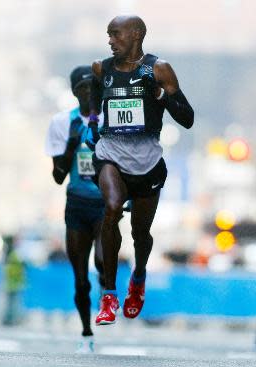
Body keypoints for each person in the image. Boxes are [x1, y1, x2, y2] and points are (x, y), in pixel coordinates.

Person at [86, 15, 194, 326]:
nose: (110, 41)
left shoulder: (158, 69)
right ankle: (108, 295)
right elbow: (95, 89)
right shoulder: (101, 68)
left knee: (140, 233)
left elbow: (187, 118)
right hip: (111, 154)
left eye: (115, 35)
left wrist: (160, 95)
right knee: (112, 207)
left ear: (135, 35)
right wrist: (94, 120)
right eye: (108, 35)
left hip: (146, 159)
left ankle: (139, 276)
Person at [45, 66, 105, 353]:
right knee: (81, 279)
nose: (87, 93)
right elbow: (57, 177)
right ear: (73, 91)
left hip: (105, 203)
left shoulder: (109, 119)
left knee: (103, 263)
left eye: (92, 87)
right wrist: (71, 146)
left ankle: (109, 291)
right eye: (81, 88)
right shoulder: (61, 122)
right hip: (77, 204)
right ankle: (86, 333)